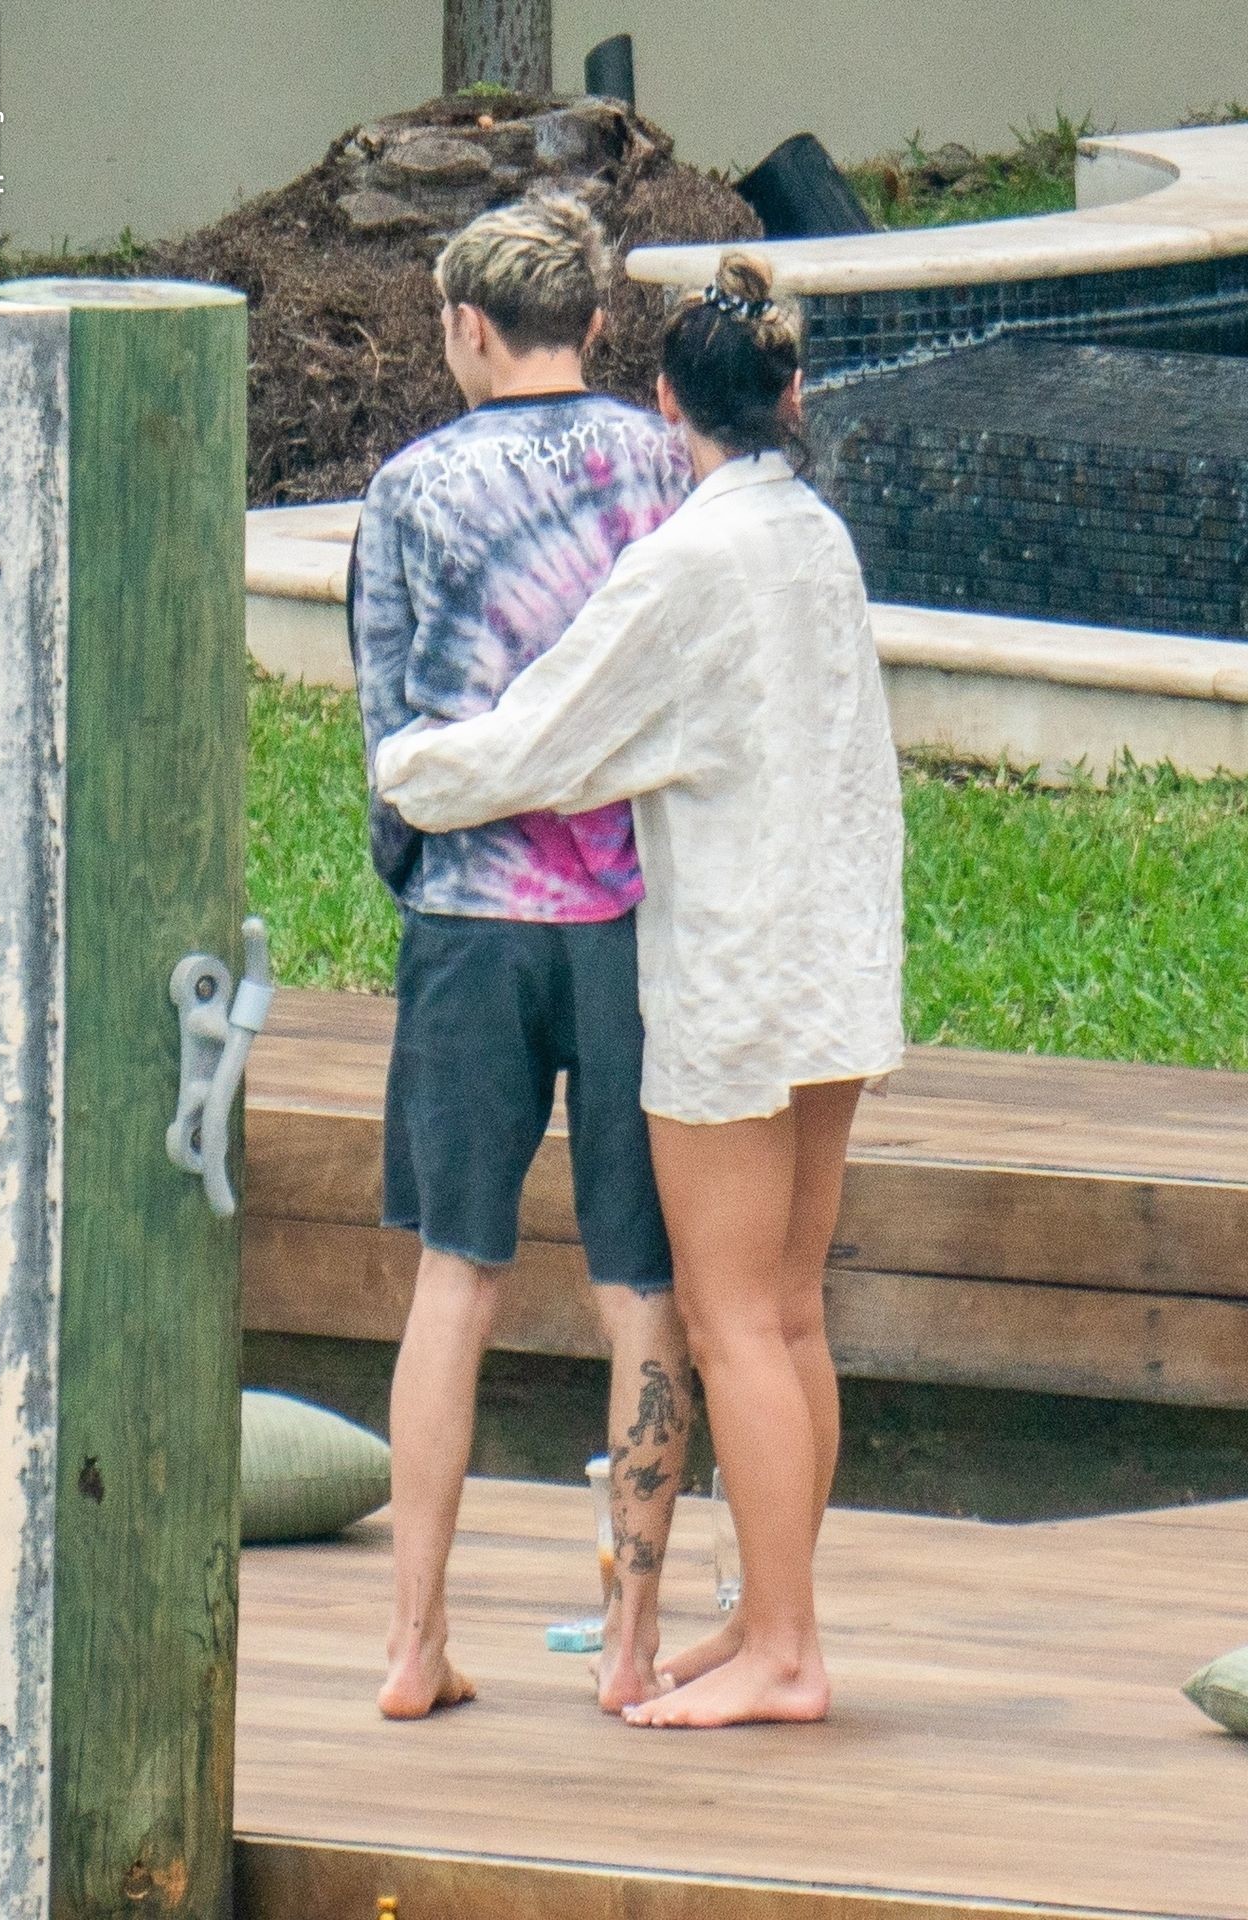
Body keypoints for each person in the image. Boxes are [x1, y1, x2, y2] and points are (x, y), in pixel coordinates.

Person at [373, 252, 905, 1729]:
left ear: (670, 402)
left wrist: (405, 773)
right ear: (791, 396)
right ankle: (768, 1620)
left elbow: (545, 738)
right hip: (837, 972)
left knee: (733, 1323)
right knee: (789, 1316)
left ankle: (784, 1653)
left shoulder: (689, 561)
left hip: (730, 979)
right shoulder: (816, 538)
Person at [350, 193, 696, 1721]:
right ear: (598, 324)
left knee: (455, 1276)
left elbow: (391, 728)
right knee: (642, 1290)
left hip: (472, 928)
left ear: (467, 326)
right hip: (633, 925)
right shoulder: (663, 464)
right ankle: (631, 1643)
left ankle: (413, 1645)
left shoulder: (412, 488)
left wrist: (421, 876)